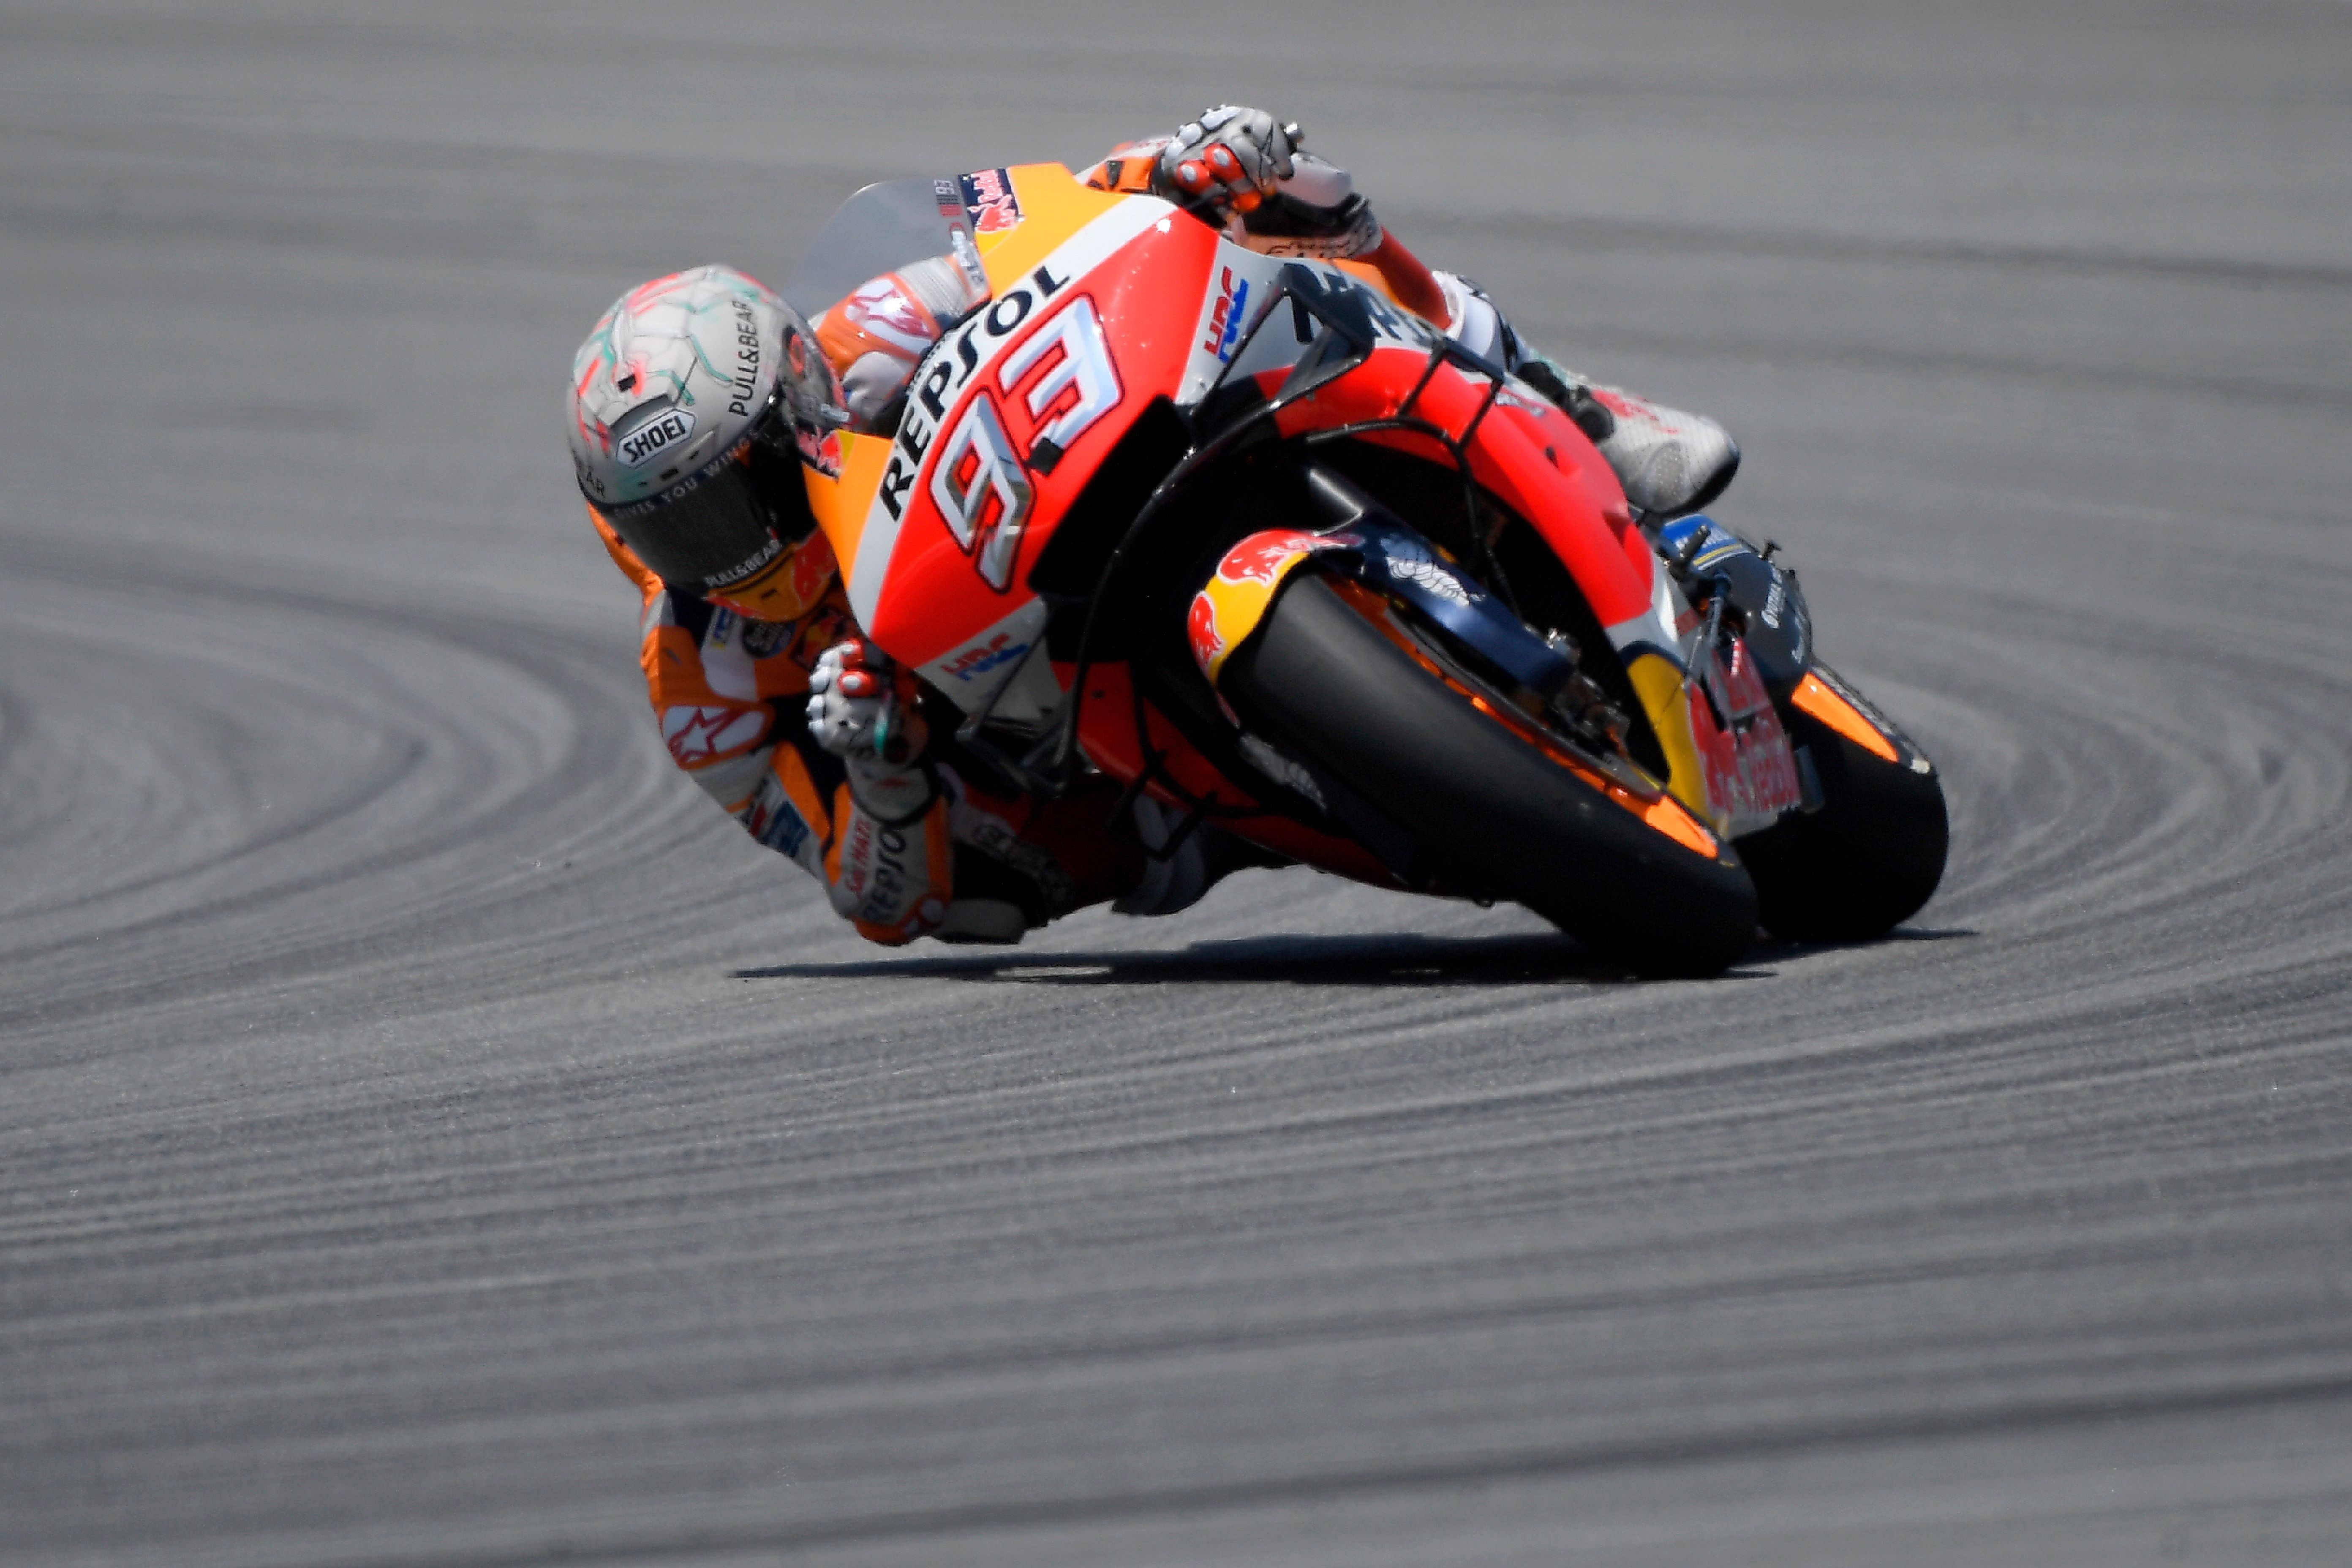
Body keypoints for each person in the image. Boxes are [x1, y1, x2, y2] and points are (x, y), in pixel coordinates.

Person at [564, 106, 1740, 947]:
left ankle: (1576, 407)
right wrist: (881, 783)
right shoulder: (700, 687)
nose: (730, 551)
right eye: (681, 531)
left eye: (737, 494)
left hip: (1089, 488)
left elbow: (1053, 221)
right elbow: (876, 905)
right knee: (976, 897)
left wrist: (1172, 166)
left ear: (800, 402)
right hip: (1075, 774)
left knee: (1294, 246)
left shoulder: (869, 333)